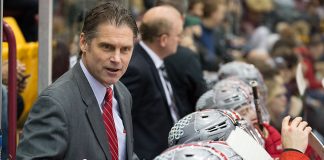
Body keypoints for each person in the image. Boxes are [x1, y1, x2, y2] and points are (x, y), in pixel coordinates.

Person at [17, 2, 138, 159]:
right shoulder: (56, 103)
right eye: (106, 47)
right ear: (84, 43)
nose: (116, 58)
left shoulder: (122, 93)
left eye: (125, 49)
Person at [120, 6, 184, 159]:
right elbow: (123, 119)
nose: (180, 39)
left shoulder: (155, 60)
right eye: (178, 35)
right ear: (163, 39)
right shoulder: (136, 68)